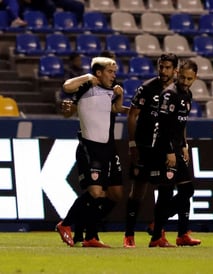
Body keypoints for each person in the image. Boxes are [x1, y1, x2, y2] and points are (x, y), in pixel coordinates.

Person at [55, 56, 124, 248]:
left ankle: (87, 232)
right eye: (110, 71)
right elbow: (67, 87)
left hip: (108, 148)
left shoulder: (112, 90)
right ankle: (67, 224)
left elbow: (116, 109)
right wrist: (86, 77)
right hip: (90, 146)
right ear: (99, 73)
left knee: (109, 194)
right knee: (95, 192)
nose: (114, 75)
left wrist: (122, 97)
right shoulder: (87, 86)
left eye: (115, 71)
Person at [123, 53, 179, 248]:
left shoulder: (178, 91)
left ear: (175, 70)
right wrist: (132, 144)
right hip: (145, 147)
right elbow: (132, 115)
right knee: (138, 192)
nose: (163, 71)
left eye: (167, 68)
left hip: (165, 149)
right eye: (161, 67)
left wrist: (182, 146)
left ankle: (157, 236)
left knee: (165, 191)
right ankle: (129, 235)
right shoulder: (147, 88)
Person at [148, 59, 201, 248]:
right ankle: (156, 236)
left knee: (186, 190)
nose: (186, 82)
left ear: (195, 78)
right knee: (166, 192)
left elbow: (181, 125)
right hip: (164, 149)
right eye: (183, 77)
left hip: (177, 148)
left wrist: (184, 145)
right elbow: (163, 125)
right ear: (177, 73)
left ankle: (180, 234)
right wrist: (170, 151)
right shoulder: (170, 94)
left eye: (190, 79)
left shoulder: (187, 94)